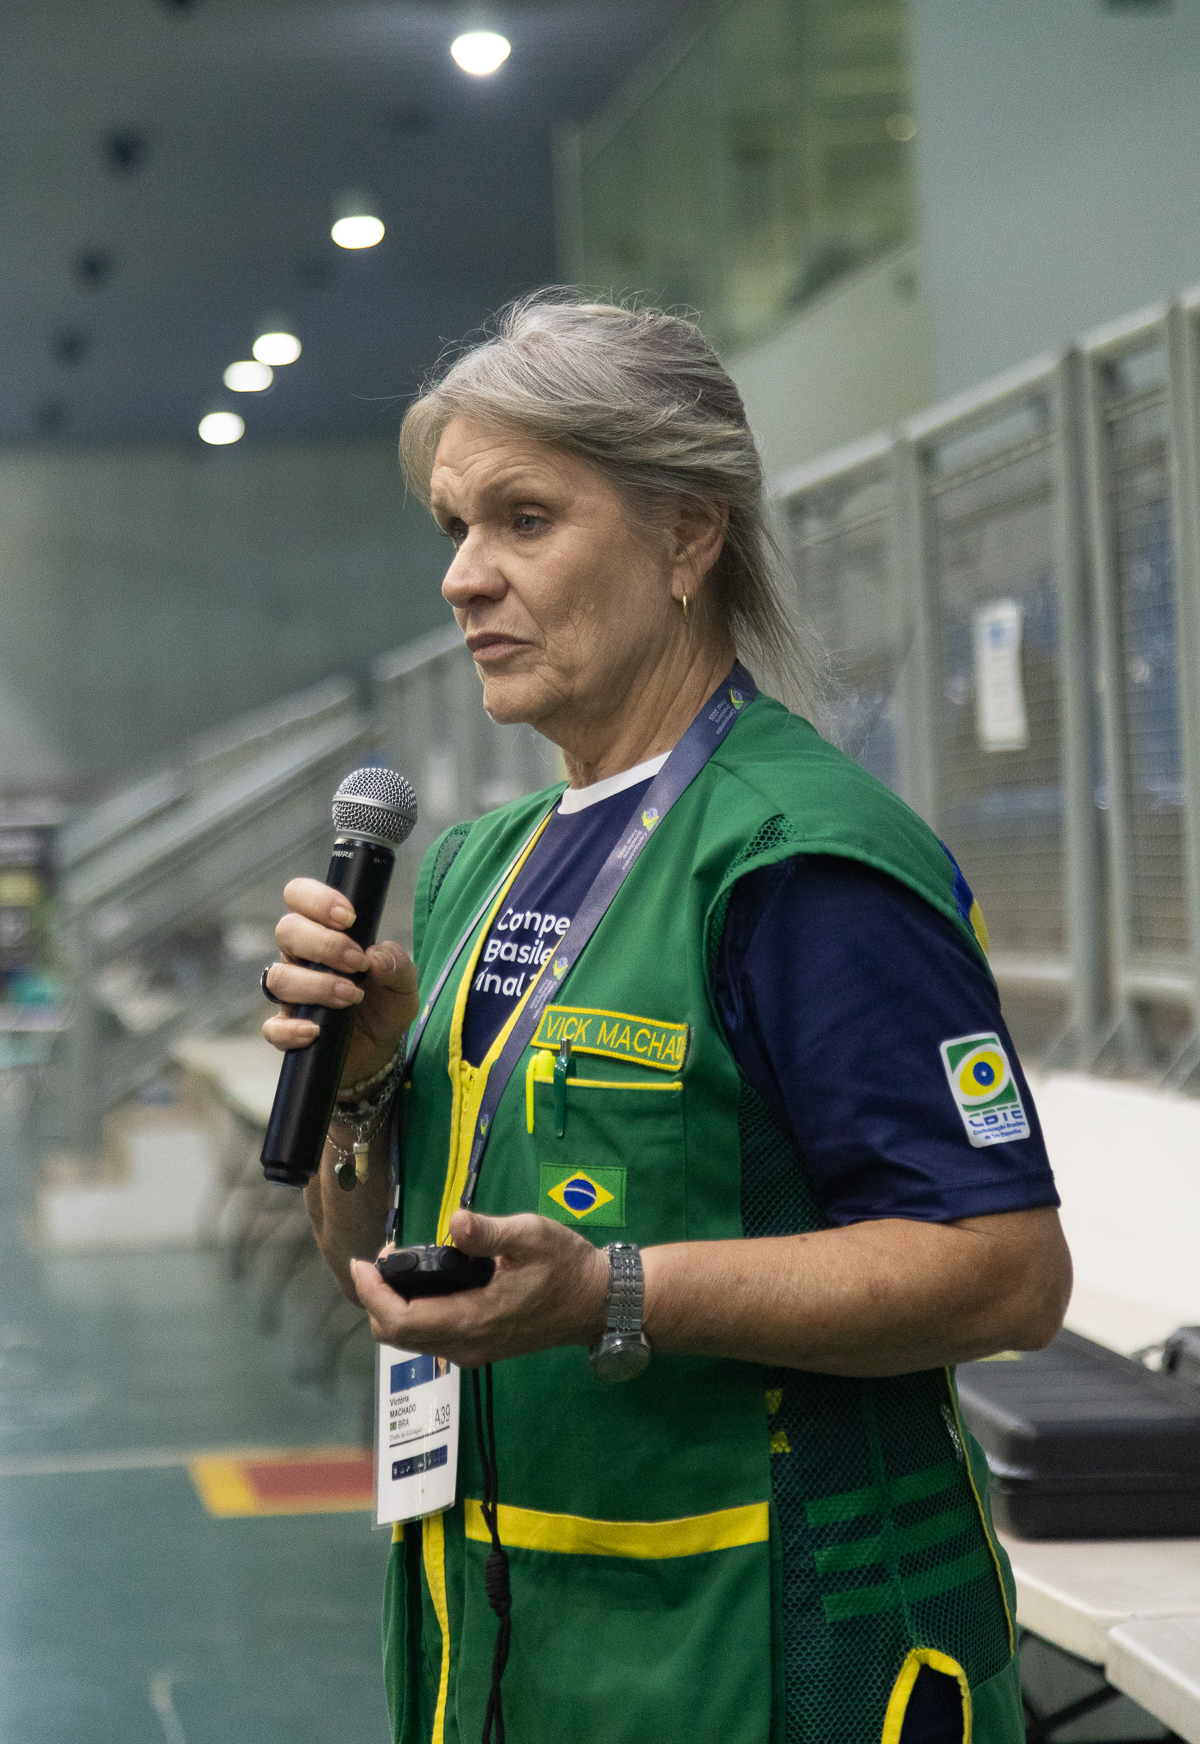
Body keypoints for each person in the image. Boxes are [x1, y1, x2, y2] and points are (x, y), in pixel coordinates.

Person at [263, 295, 1072, 1744]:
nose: (463, 576)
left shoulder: (800, 859)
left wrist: (612, 1293)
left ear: (688, 537)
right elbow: (381, 1271)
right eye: (455, 526)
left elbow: (1006, 1275)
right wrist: (363, 1088)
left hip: (765, 1655)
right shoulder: (474, 868)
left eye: (524, 519)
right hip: (498, 1652)